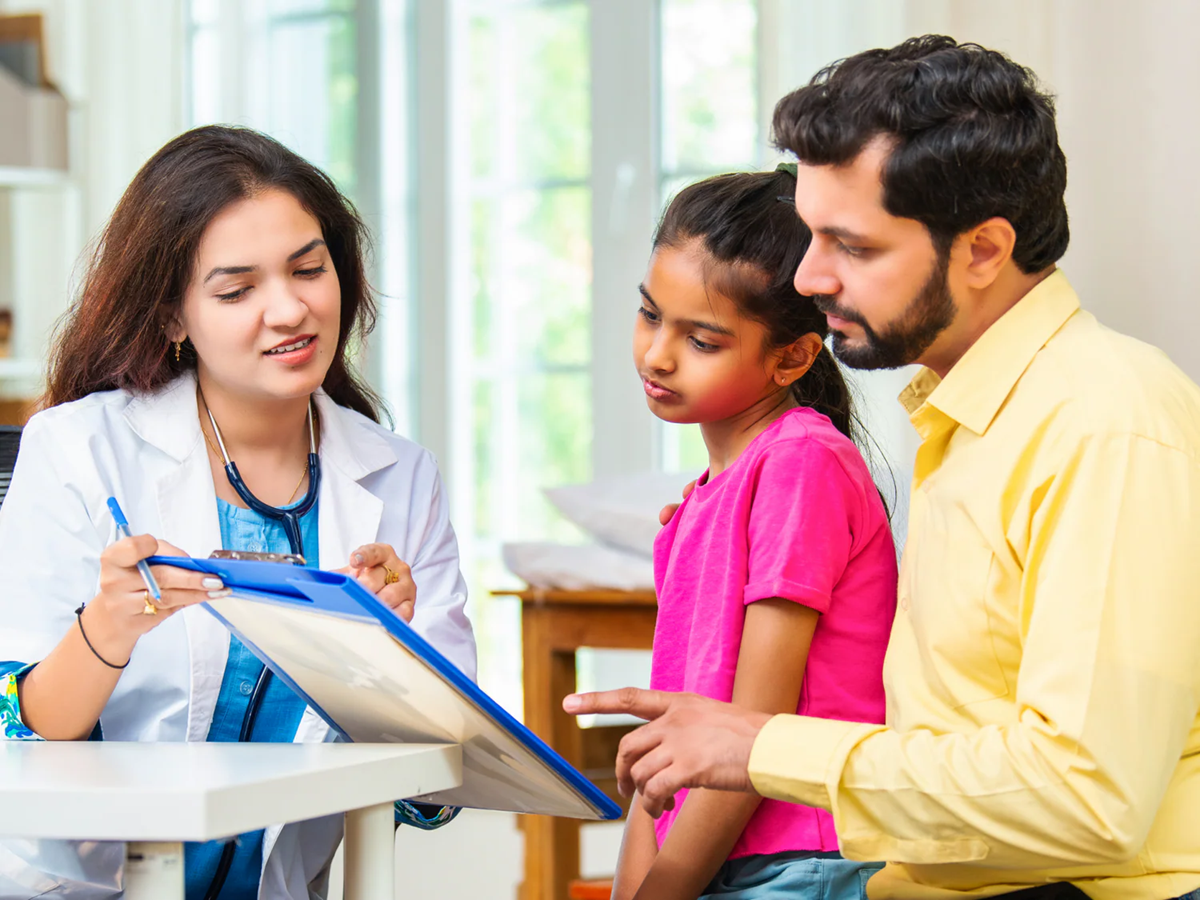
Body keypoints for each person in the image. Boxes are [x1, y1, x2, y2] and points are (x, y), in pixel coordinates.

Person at [566, 35, 1200, 900]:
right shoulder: (965, 422)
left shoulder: (1106, 422)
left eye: (851, 247)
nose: (808, 276)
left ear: (983, 250)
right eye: (812, 237)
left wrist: (762, 747)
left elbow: (1089, 799)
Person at [0, 125, 476, 900]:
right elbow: (19, 729)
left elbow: (437, 788)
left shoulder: (401, 478)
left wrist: (388, 655)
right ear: (172, 316)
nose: (289, 309)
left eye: (309, 269)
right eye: (236, 290)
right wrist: (107, 629)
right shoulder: (79, 448)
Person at [615, 168, 898, 900]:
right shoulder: (698, 504)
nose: (657, 355)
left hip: (802, 861)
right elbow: (674, 737)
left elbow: (753, 735)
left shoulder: (802, 463)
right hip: (722, 855)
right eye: (650, 315)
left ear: (793, 356)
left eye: (701, 341)